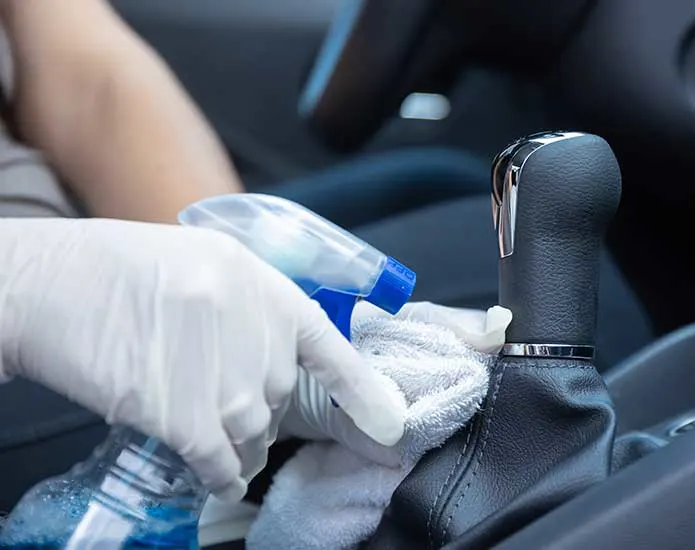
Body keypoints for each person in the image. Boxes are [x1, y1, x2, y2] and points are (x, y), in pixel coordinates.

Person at [0, 0, 410, 505]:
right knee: (480, 253)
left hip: (68, 262)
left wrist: (231, 283)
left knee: (435, 180)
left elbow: (89, 79)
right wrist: (20, 282)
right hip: (20, 349)